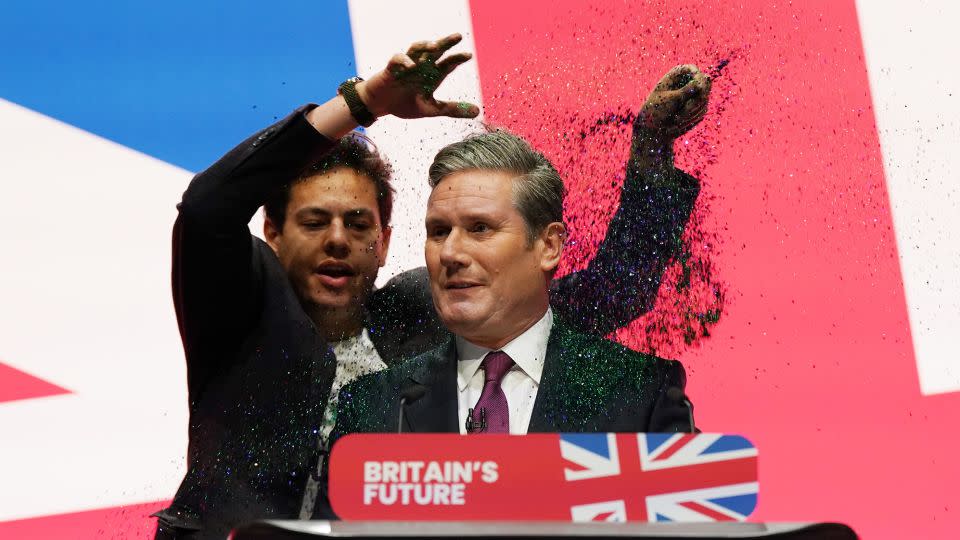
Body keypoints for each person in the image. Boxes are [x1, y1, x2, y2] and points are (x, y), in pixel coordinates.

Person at [154, 31, 710, 538]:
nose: (338, 240)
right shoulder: (239, 310)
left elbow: (616, 289)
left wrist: (652, 155)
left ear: (386, 239)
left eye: (358, 223)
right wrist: (363, 104)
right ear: (271, 231)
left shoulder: (430, 310)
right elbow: (207, 209)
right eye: (315, 222)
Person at [330, 130, 692, 445]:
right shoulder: (372, 406)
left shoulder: (640, 393)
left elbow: (619, 283)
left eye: (480, 228)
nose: (451, 253)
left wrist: (652, 156)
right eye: (439, 232)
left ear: (548, 246)